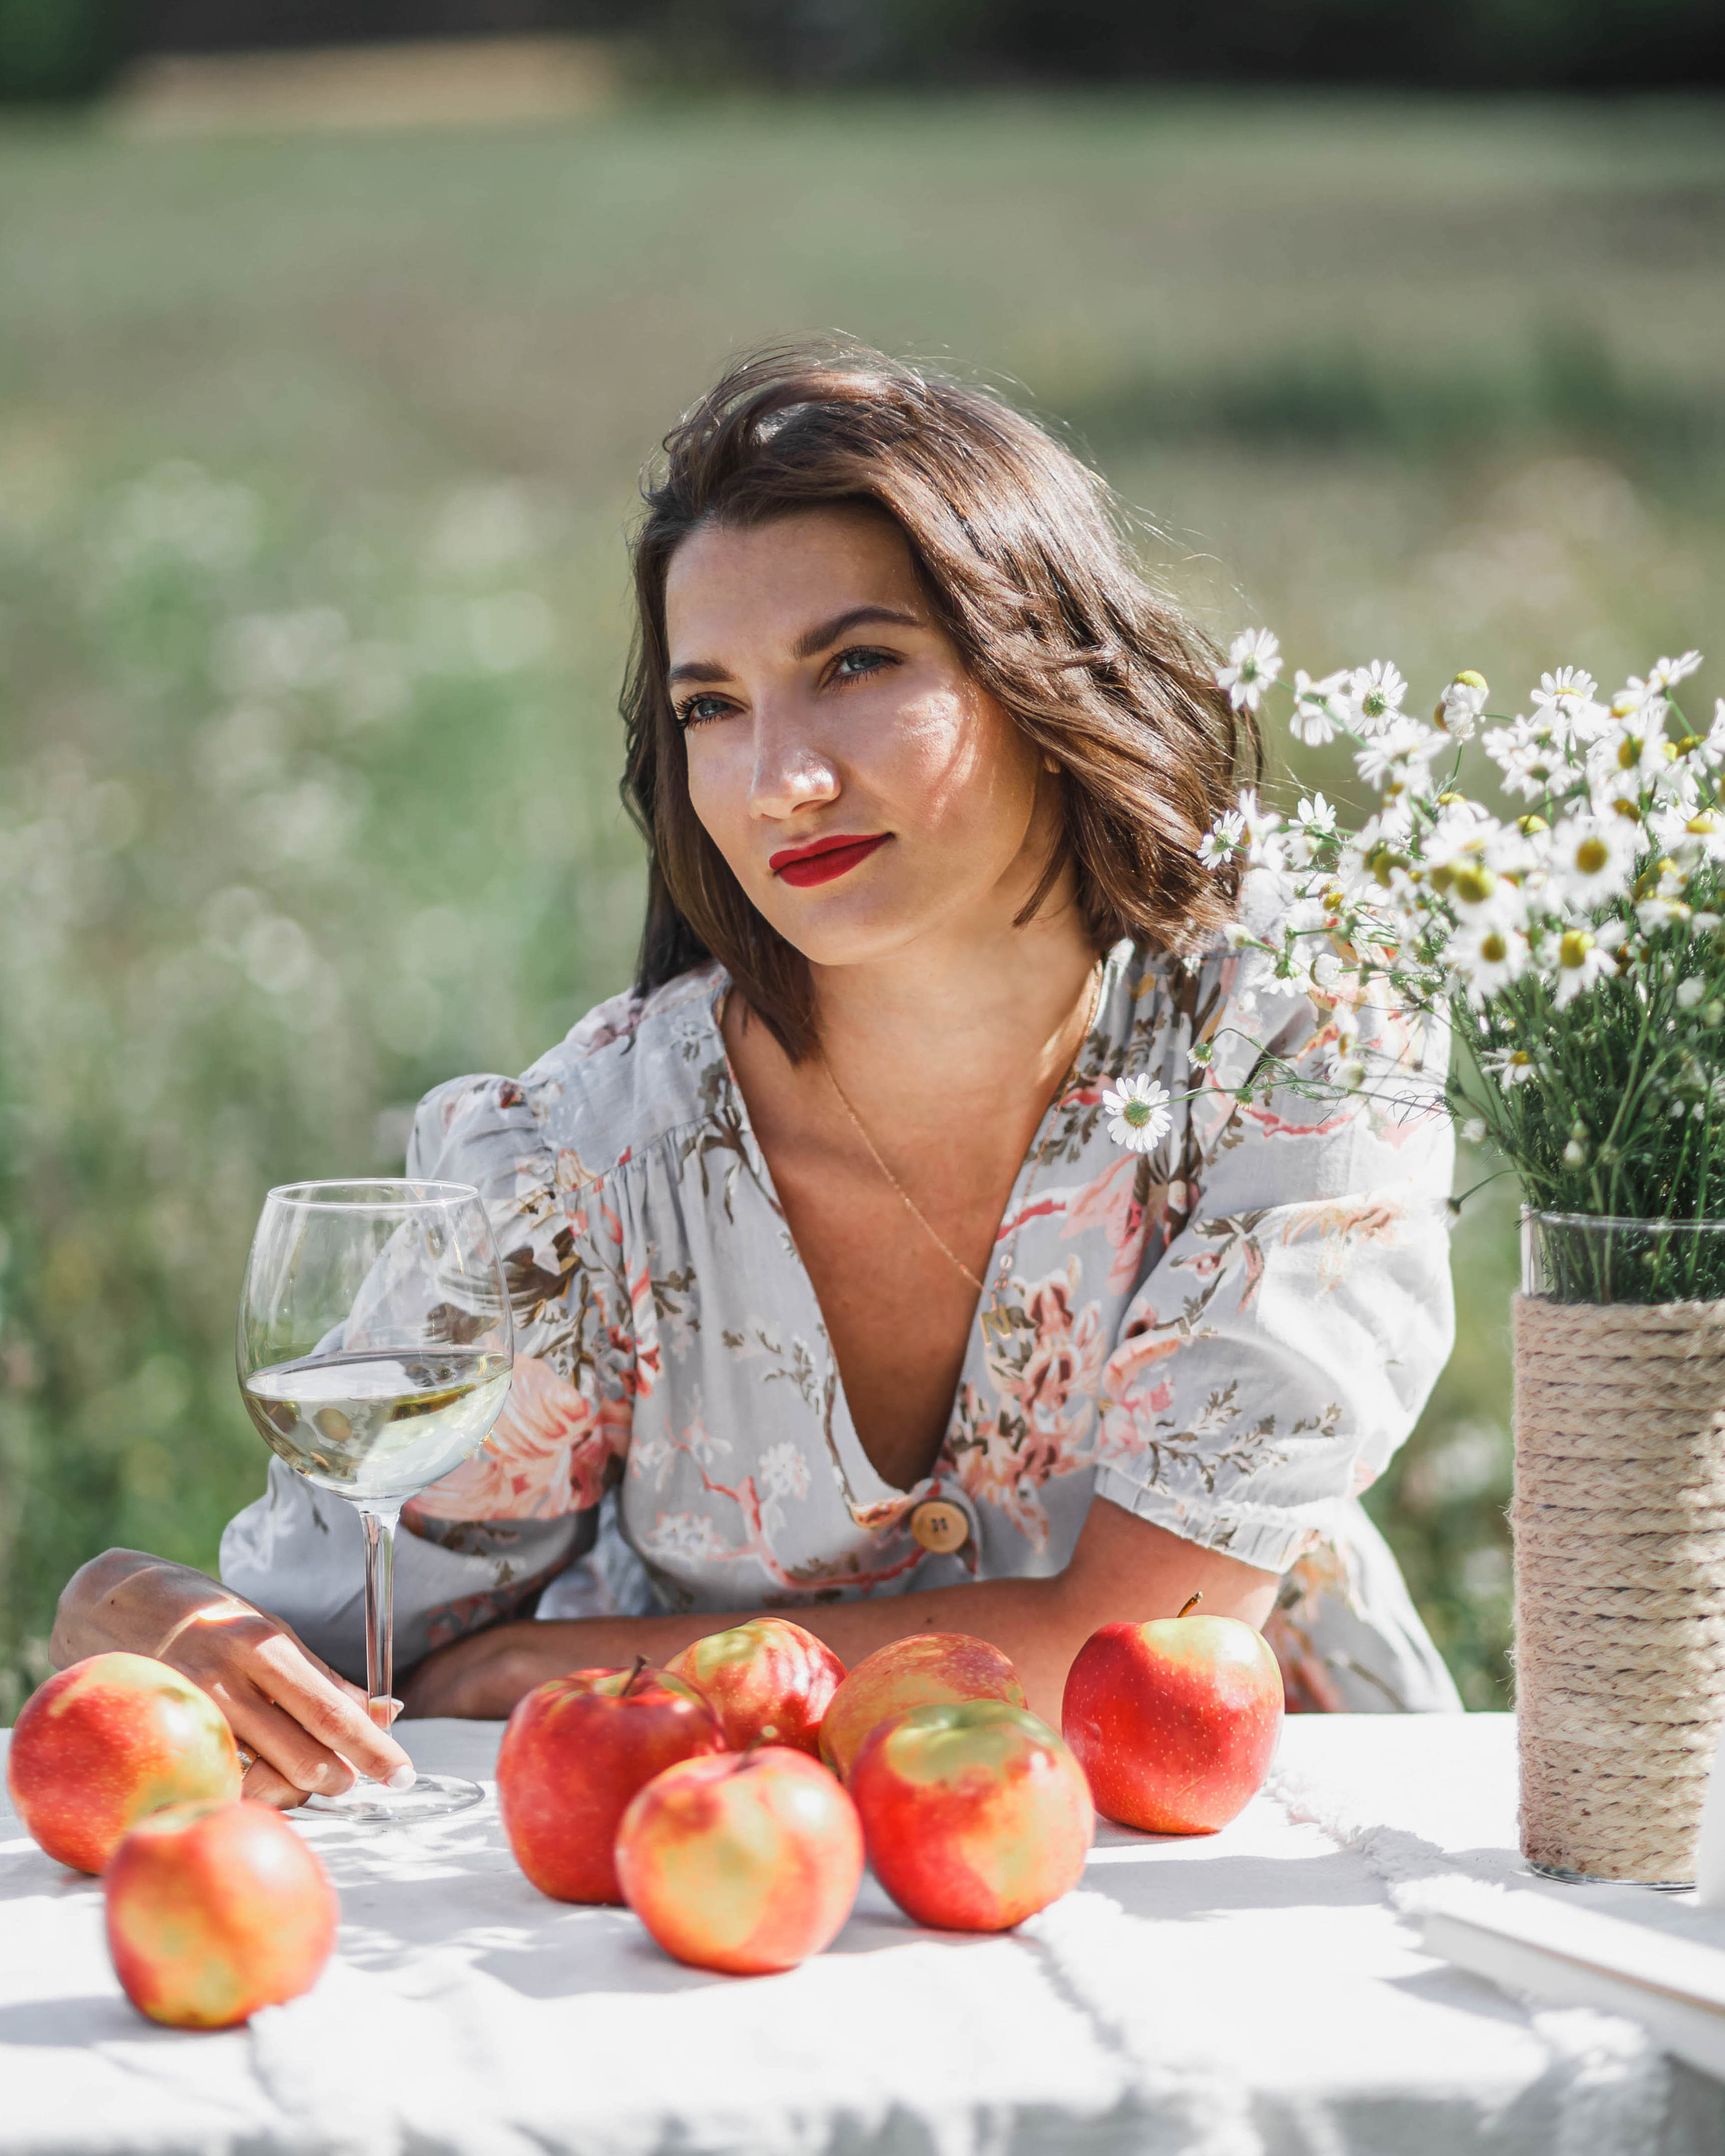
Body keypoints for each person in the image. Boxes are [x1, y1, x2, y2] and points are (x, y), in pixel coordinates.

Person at [55, 344, 1460, 1809]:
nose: (777, 777)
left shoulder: (1295, 1056)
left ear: (1045, 666)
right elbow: (350, 1656)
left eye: (855, 664)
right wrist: (134, 1613)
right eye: (711, 705)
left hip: (1254, 1873)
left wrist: (571, 1668)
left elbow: (1132, 1645)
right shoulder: (572, 1171)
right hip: (718, 1905)